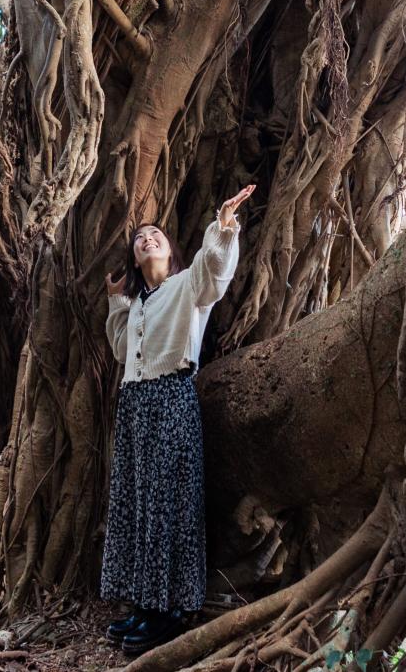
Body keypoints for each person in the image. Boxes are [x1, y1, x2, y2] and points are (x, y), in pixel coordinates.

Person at [100, 184, 254, 656]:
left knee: (168, 504)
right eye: (140, 237)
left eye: (156, 234)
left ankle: (169, 611)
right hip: (135, 408)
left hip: (170, 399)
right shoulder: (140, 303)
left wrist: (223, 227)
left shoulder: (189, 284)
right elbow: (123, 349)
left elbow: (216, 271)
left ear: (171, 248)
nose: (147, 238)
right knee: (141, 504)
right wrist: (117, 301)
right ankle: (147, 606)